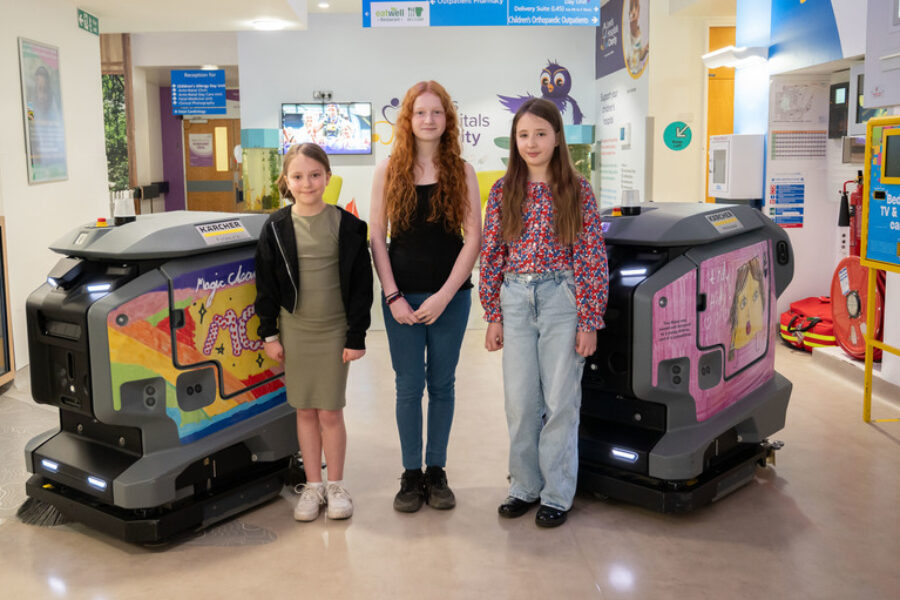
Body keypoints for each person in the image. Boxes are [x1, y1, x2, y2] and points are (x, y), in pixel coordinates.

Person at [480, 98, 609, 528]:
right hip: (515, 299)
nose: (531, 143)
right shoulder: (502, 190)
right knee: (520, 401)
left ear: (557, 138)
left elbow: (591, 256)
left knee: (559, 401)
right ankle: (524, 485)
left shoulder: (577, 189)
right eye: (523, 135)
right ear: (515, 141)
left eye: (540, 134)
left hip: (561, 299)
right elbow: (493, 254)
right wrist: (493, 314)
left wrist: (590, 319)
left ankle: (556, 492)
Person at [370, 81, 481, 513]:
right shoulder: (388, 169)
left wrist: (443, 296)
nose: (429, 119)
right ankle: (410, 475)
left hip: (450, 297)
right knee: (408, 386)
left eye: (437, 112)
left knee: (442, 385)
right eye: (420, 113)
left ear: (447, 119)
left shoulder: (462, 170)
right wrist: (394, 295)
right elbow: (377, 237)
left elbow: (473, 239)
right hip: (401, 295)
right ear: (408, 119)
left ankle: (436, 471)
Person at [254, 143, 373, 522]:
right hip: (295, 330)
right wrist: (269, 334)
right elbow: (266, 285)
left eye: (315, 175)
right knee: (304, 409)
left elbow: (361, 286)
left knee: (330, 410)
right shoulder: (275, 227)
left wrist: (356, 335)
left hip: (335, 330)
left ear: (328, 175)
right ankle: (313, 486)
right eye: (298, 177)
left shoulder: (349, 225)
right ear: (286, 182)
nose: (307, 183)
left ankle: (336, 485)